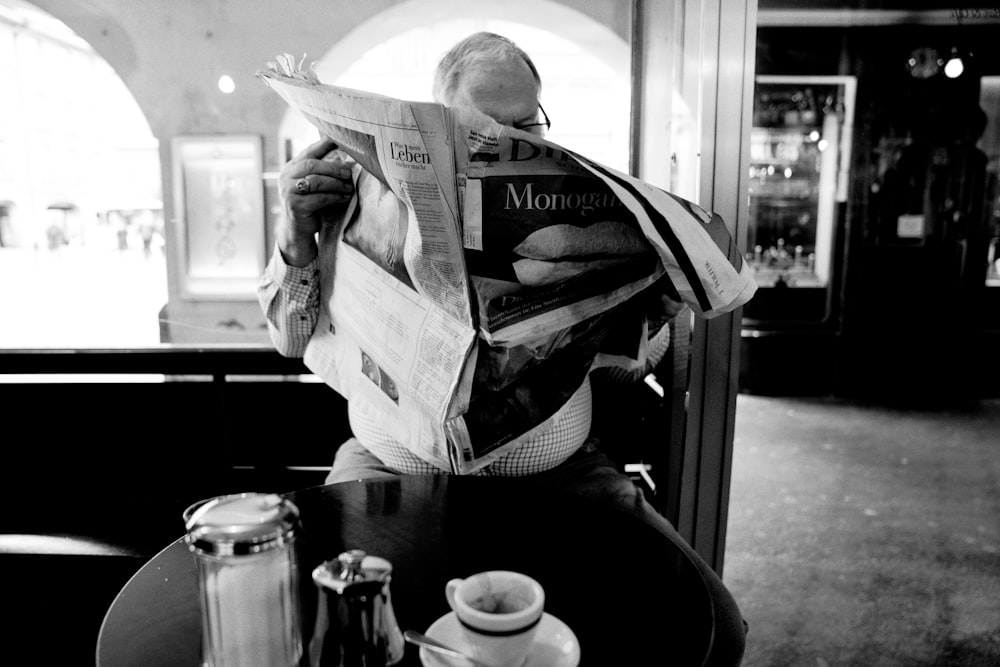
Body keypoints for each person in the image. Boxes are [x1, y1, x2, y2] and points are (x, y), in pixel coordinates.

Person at [259, 31, 746, 663]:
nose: (514, 140)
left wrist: (655, 305)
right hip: (387, 473)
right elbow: (290, 340)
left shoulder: (575, 202)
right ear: (437, 122)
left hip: (564, 479)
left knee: (710, 623)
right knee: (319, 629)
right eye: (485, 127)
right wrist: (295, 234)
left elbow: (629, 370)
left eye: (528, 123)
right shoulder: (354, 190)